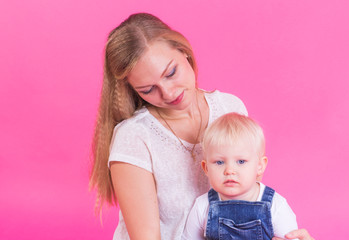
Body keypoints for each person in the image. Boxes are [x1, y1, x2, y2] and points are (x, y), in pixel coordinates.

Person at [89, 12, 314, 240]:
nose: (168, 93)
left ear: (184, 52)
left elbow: (247, 197)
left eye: (171, 73)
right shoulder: (134, 137)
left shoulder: (229, 107)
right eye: (148, 90)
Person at [182, 113, 298, 240]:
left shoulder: (275, 206)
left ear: (260, 166)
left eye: (241, 161)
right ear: (206, 168)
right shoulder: (202, 206)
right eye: (219, 162)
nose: (229, 170)